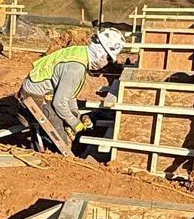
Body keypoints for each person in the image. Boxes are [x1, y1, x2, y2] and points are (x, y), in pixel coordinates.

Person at [19, 26, 125, 154]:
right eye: (108, 58)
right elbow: (59, 103)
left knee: (65, 118)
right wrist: (76, 124)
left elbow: (69, 95)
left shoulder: (80, 53)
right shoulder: (76, 69)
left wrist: (75, 114)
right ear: (101, 53)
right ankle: (51, 157)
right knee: (59, 138)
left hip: (42, 93)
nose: (106, 62)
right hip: (32, 99)